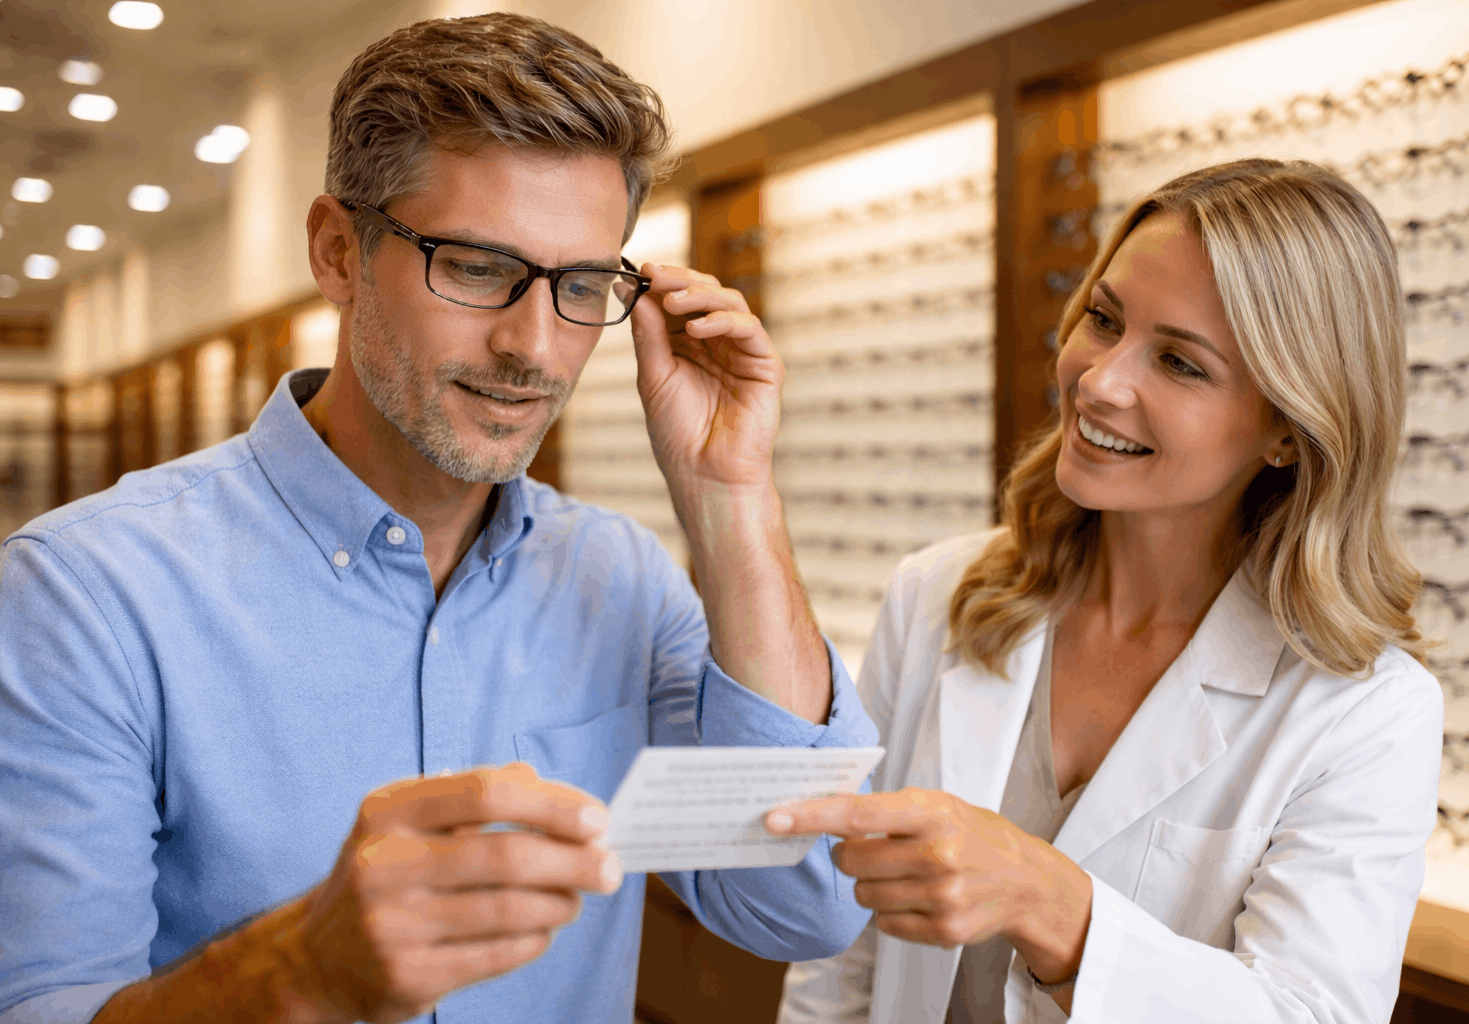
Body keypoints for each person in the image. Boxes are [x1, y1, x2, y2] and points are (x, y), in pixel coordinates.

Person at [0, 14, 876, 1024]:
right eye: (472, 266)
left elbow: (801, 901)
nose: (534, 348)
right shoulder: (86, 591)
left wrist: (732, 496)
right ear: (339, 252)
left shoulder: (622, 579)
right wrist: (299, 973)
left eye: (583, 284)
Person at [767, 159, 1443, 1024]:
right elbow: (845, 956)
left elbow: (1310, 1013)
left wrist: (1055, 908)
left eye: (1179, 363)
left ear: (1287, 427)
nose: (1100, 381)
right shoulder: (937, 596)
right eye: (1103, 318)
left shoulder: (1365, 710)